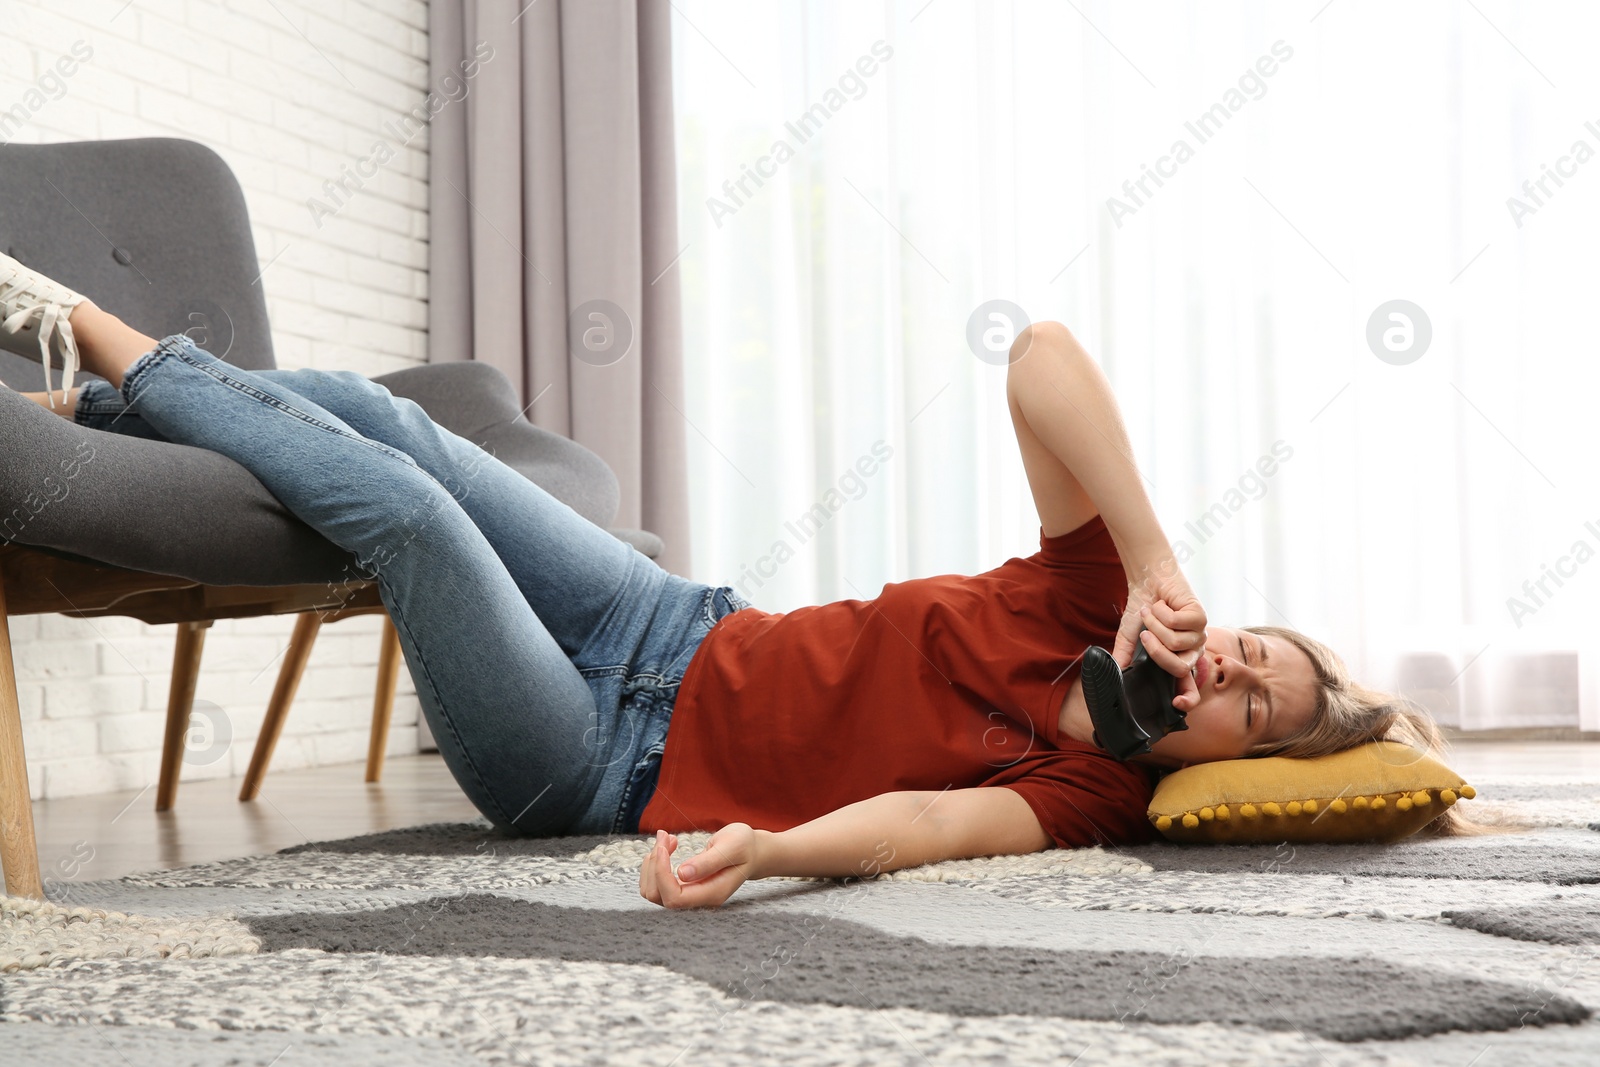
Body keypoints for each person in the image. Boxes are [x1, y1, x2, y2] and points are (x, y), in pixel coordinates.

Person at [0, 253, 1457, 912]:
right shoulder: (1100, 600)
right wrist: (1155, 553)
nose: (1221, 676)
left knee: (412, 526)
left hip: (591, 765)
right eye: (1250, 650)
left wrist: (762, 849)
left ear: (1221, 770)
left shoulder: (1094, 795)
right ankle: (99, 416)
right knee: (405, 428)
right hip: (670, 625)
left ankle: (78, 327)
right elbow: (1041, 353)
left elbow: (920, 824)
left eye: (1247, 713)